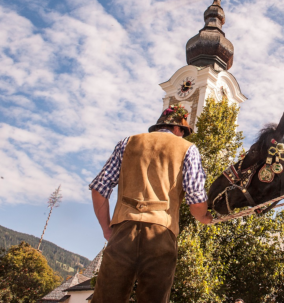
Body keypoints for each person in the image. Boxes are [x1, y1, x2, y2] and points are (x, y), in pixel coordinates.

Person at [89, 104, 213, 302]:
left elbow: (99, 189)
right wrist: (205, 218)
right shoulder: (188, 149)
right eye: (183, 132)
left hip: (122, 231)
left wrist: (107, 229)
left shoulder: (127, 143)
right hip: (161, 235)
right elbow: (196, 200)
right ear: (178, 129)